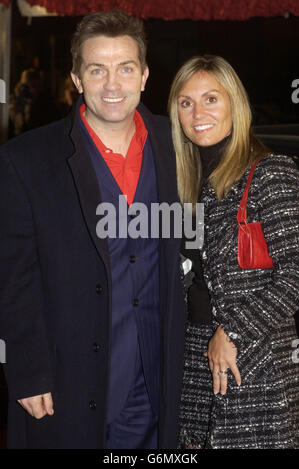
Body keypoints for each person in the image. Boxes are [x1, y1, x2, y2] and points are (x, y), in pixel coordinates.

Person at [0, 10, 186, 449]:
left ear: (143, 75)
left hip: (156, 375)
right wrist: (27, 369)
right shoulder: (25, 160)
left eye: (125, 68)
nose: (113, 84)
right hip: (69, 378)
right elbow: (12, 278)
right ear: (77, 79)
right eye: (97, 70)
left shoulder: (179, 145)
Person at [168, 55, 299, 449]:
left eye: (211, 99)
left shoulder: (271, 172)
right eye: (185, 102)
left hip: (255, 363)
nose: (197, 113)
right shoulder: (186, 184)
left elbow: (295, 274)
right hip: (193, 358)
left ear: (235, 105)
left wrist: (234, 330)